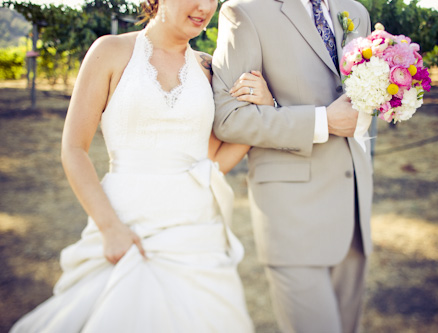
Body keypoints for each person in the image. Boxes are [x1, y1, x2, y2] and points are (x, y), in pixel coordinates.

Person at [10, 0, 273, 332]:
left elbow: (213, 161)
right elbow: (74, 149)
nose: (204, 7)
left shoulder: (210, 69)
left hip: (194, 233)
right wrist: (110, 229)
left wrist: (264, 110)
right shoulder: (111, 51)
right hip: (125, 222)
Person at [212, 0, 373, 332]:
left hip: (354, 209)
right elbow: (228, 118)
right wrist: (322, 121)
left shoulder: (355, 12)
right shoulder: (244, 12)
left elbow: (364, 98)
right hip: (292, 215)